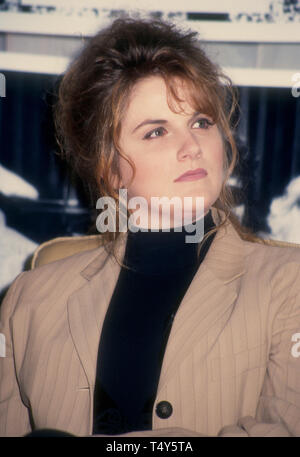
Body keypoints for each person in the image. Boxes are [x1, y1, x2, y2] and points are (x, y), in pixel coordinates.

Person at [1, 17, 300, 438]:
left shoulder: (289, 281)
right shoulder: (28, 301)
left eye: (201, 122)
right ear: (111, 169)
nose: (192, 146)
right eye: (156, 131)